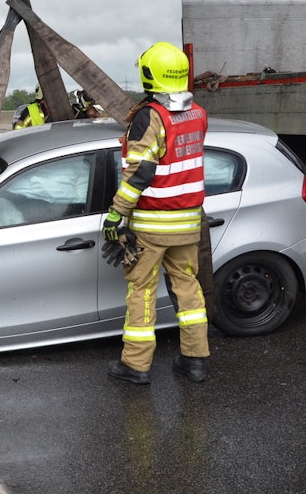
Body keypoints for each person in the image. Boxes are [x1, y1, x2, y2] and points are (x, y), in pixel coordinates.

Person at [103, 42, 210, 385]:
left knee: (142, 291)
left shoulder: (151, 117)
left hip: (152, 224)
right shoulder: (198, 114)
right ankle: (195, 361)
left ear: (149, 75)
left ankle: (136, 365)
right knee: (188, 289)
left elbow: (140, 173)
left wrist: (115, 215)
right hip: (188, 223)